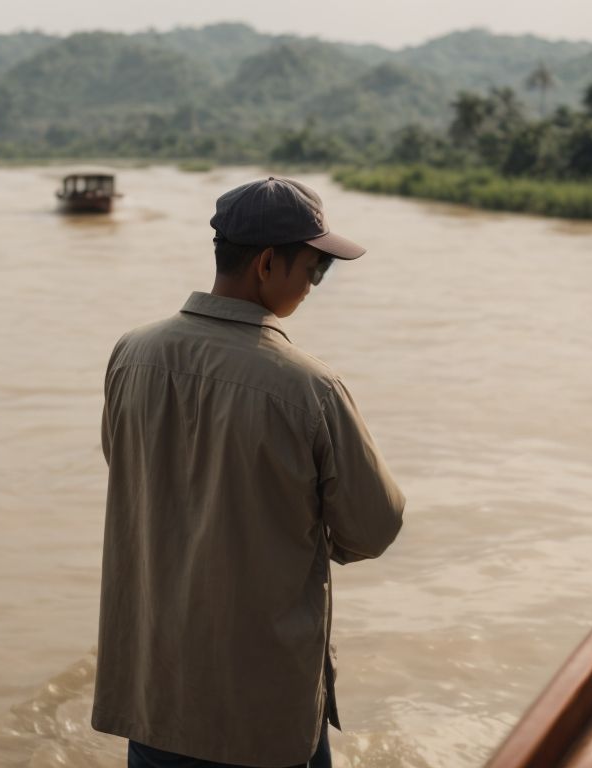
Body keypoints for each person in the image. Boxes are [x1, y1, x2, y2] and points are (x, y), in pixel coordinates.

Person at [91, 176, 407, 768]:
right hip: (260, 710)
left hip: (157, 693)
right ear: (267, 264)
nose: (315, 284)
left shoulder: (130, 355)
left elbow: (127, 467)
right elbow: (374, 527)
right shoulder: (309, 387)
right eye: (315, 268)